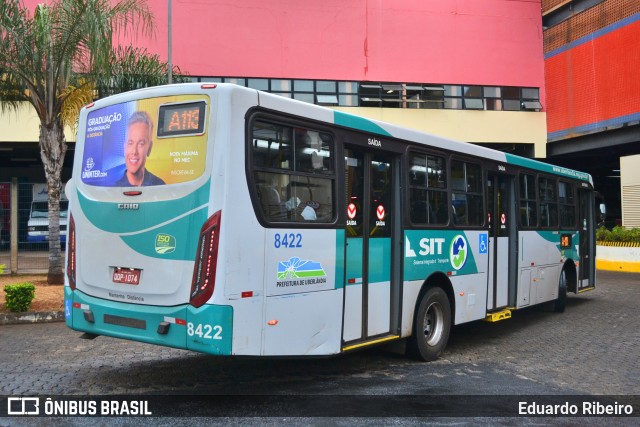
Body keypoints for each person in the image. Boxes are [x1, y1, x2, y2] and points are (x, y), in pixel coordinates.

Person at [115, 111, 165, 186]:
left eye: (141, 144)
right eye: (130, 143)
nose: (134, 151)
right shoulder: (114, 190)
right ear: (124, 147)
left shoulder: (160, 186)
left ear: (149, 148)